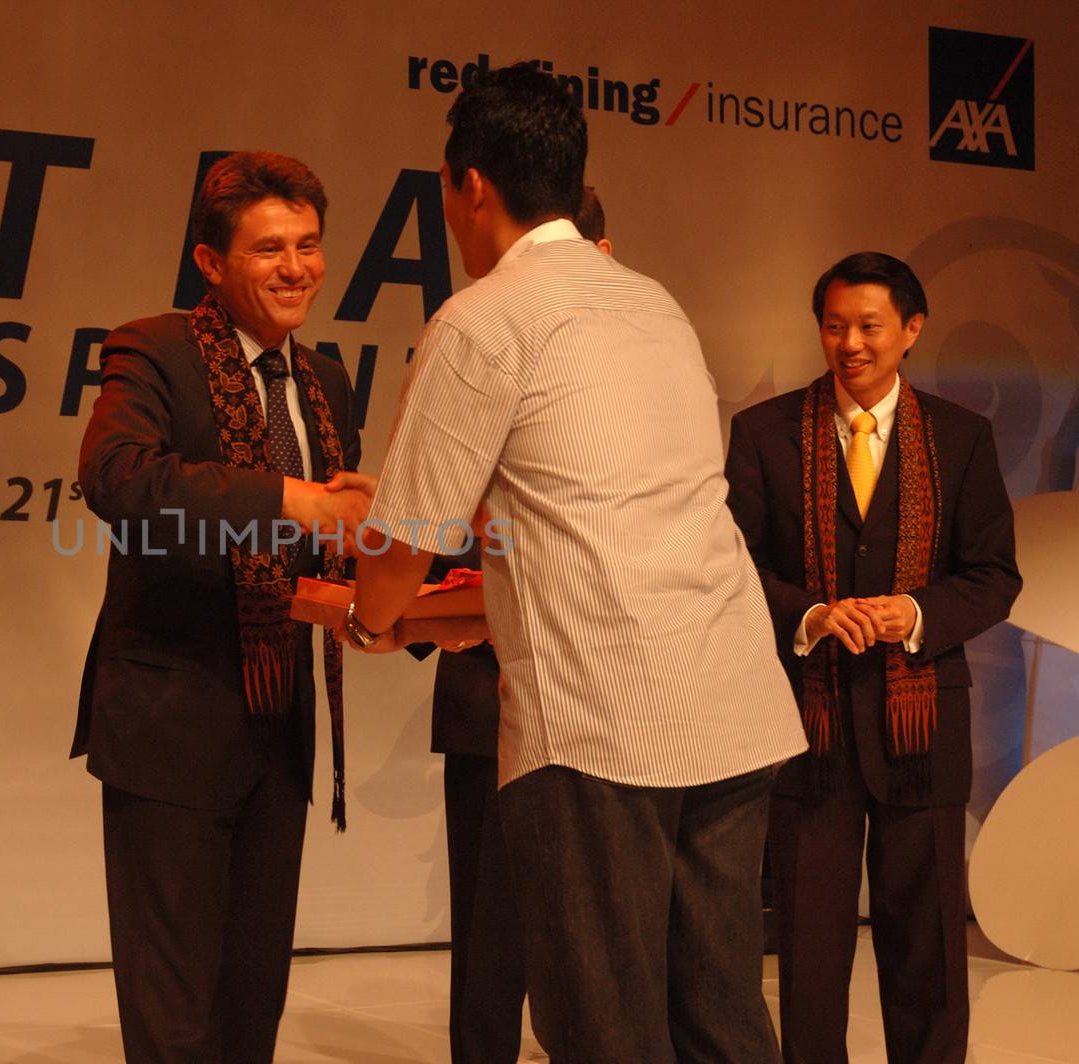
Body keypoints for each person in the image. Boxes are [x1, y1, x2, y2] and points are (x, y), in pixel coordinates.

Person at [341, 64, 807, 1062]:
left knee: (602, 1024)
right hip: (729, 698)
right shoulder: (652, 304)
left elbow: (402, 540)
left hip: (599, 720)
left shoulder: (480, 319)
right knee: (719, 1014)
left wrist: (369, 619)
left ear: (471, 187)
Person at [73, 150, 369, 1064]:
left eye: (310, 245)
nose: (296, 268)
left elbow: (328, 547)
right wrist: (294, 498)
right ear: (210, 262)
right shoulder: (152, 348)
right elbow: (118, 479)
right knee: (174, 1017)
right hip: (170, 722)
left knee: (252, 1006)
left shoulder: (324, 381)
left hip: (280, 728)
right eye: (269, 248)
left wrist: (382, 583)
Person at [724, 252, 1020, 1064]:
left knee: (928, 953)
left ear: (911, 330)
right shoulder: (764, 433)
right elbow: (734, 567)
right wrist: (812, 615)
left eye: (868, 326)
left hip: (922, 728)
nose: (849, 343)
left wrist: (917, 612)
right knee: (810, 957)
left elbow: (995, 577)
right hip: (806, 730)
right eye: (833, 326)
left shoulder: (962, 439)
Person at [432, 184, 612, 1064]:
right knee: (490, 936)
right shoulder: (469, 348)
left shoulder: (639, 373)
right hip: (488, 692)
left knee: (608, 937)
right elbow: (423, 525)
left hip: (613, 709)